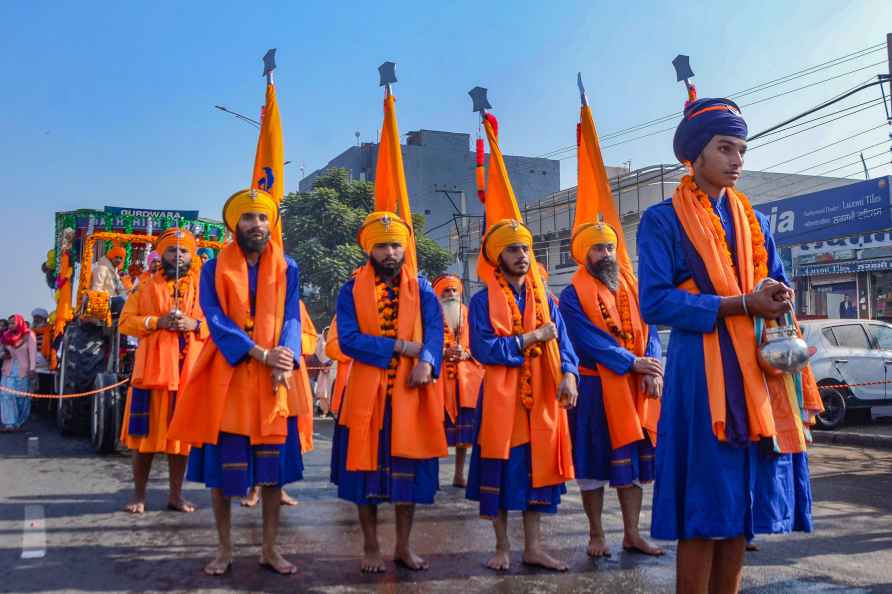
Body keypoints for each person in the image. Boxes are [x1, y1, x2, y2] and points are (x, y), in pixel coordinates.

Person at [637, 92, 823, 594]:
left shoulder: (755, 223)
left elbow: (775, 285)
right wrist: (740, 303)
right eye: (724, 148)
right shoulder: (662, 220)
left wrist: (776, 295)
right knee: (705, 502)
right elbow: (654, 303)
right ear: (693, 154)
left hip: (756, 374)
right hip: (700, 374)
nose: (737, 160)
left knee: (739, 506)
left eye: (741, 150)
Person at [168, 188, 307, 577]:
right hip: (227, 377)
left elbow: (292, 317)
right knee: (223, 474)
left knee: (273, 474)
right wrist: (260, 353)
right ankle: (224, 549)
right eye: (248, 218)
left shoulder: (288, 267)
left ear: (271, 224)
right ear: (235, 224)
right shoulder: (212, 268)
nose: (257, 225)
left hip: (273, 380)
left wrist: (287, 355)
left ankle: (269, 549)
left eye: (263, 218)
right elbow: (215, 319)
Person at [330, 211, 445, 573]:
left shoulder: (423, 287)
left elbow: (435, 331)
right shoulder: (350, 289)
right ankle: (370, 547)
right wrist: (399, 346)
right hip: (366, 395)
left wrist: (426, 360)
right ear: (369, 249)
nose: (390, 253)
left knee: (406, 479)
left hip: (410, 396)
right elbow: (348, 340)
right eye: (382, 246)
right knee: (365, 477)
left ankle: (403, 547)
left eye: (396, 244)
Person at [466, 219, 579, 572]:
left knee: (537, 475)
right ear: (498, 256)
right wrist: (530, 339)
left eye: (526, 249)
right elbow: (484, 349)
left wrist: (570, 374)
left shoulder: (544, 297)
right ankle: (502, 548)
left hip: (542, 398)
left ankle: (533, 548)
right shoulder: (482, 300)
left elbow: (563, 341)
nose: (522, 256)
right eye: (513, 250)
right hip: (502, 401)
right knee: (499, 473)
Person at [559, 222, 664, 558]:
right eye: (598, 248)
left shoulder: (632, 285)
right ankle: (596, 535)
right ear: (584, 254)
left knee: (630, 468)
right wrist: (632, 363)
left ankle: (632, 534)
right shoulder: (572, 294)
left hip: (635, 388)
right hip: (594, 389)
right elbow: (587, 340)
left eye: (609, 247)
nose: (605, 254)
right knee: (593, 467)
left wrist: (654, 367)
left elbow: (652, 332)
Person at [119, 227, 207, 514]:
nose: (178, 255)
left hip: (187, 375)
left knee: (179, 442)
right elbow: (125, 323)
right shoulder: (144, 286)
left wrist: (194, 326)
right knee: (143, 439)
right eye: (172, 250)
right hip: (151, 374)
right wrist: (157, 322)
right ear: (162, 254)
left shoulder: (204, 288)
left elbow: (217, 325)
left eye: (183, 251)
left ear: (191, 256)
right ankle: (139, 496)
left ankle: (176, 496)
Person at [430, 274, 484, 488]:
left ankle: (459, 474)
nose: (451, 295)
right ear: (438, 294)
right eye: (446, 291)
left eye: (454, 291)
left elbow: (479, 344)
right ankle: (432, 476)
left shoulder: (468, 314)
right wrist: (443, 352)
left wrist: (466, 354)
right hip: (439, 381)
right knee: (434, 430)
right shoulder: (430, 317)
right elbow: (423, 344)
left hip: (465, 382)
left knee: (464, 435)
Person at [0, 314, 37, 431]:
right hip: (8, 370)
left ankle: (18, 421)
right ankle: (9, 423)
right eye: (9, 323)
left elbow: (32, 353)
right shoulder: (5, 336)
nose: (10, 326)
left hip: (23, 371)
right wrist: (3, 355)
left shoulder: (29, 335)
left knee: (21, 398)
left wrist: (32, 369)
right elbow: (0, 351)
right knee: (6, 396)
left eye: (13, 323)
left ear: (19, 323)